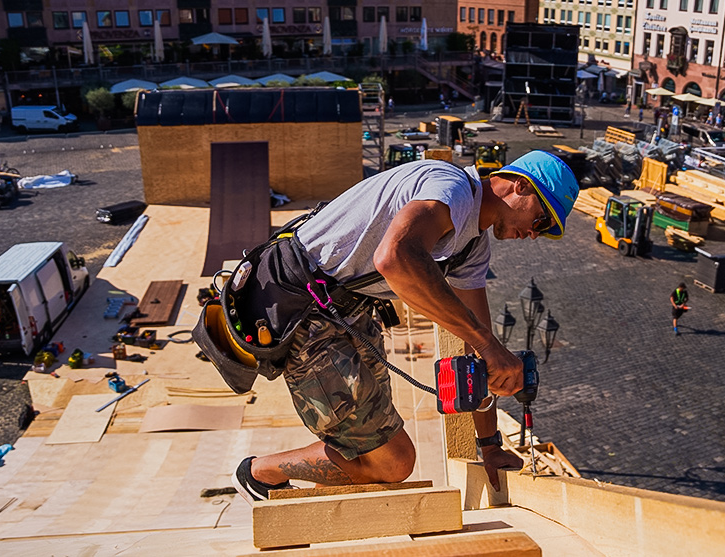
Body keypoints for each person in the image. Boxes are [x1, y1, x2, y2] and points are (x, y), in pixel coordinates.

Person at [222, 151, 579, 502]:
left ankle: (320, 499)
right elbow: (394, 257)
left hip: (344, 312)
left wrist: (490, 447)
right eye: (542, 220)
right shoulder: (449, 187)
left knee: (372, 448)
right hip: (300, 309)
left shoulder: (472, 246)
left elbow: (478, 351)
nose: (535, 234)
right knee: (394, 463)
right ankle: (259, 472)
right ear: (520, 185)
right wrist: (487, 344)